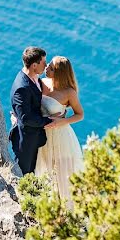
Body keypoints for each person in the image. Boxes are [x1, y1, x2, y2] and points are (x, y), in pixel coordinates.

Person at [36, 56, 84, 206]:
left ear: (59, 73)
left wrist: (62, 121)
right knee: (45, 169)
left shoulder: (69, 92)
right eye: (47, 65)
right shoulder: (40, 83)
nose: (46, 68)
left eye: (50, 68)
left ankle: (67, 209)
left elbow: (80, 114)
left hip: (61, 136)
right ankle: (48, 206)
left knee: (63, 173)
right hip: (42, 136)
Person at [9, 47, 60, 175]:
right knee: (25, 174)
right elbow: (26, 118)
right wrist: (50, 120)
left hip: (34, 136)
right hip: (26, 140)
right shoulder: (22, 87)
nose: (46, 65)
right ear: (34, 65)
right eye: (43, 62)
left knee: (35, 172)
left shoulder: (34, 77)